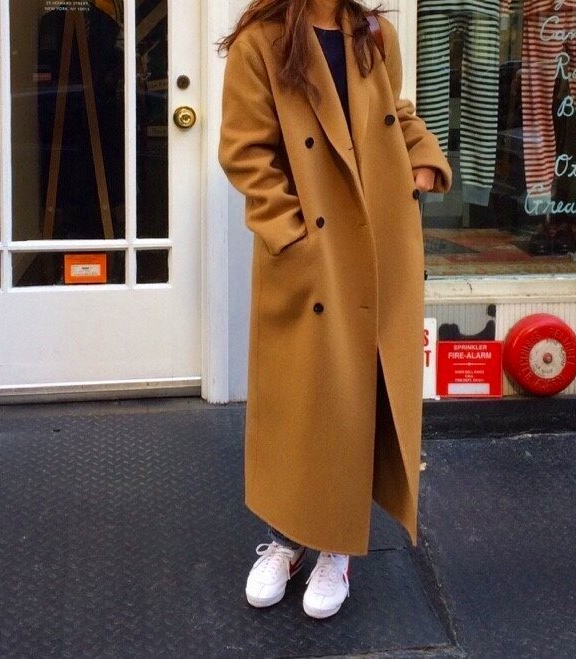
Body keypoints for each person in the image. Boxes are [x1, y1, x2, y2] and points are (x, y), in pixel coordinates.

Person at [218, 0, 452, 619]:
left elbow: (393, 113)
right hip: (312, 251)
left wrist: (422, 159)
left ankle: (336, 547)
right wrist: (294, 236)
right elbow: (246, 154)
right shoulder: (262, 43)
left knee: (358, 396)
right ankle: (288, 539)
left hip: (378, 243)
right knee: (298, 400)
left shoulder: (375, 33)